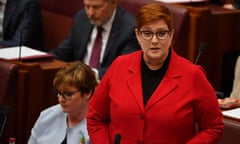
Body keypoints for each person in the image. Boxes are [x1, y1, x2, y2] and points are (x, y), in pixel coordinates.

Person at [87, 3, 224, 144]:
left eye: (161, 33)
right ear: (138, 35)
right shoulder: (119, 66)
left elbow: (213, 127)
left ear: (171, 35)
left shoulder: (192, 75)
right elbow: (95, 118)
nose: (154, 40)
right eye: (147, 33)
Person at [50, 0, 140, 80]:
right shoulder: (81, 18)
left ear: (114, 3)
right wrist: (44, 58)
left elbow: (124, 69)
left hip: (105, 85)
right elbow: (63, 52)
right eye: (87, 6)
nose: (90, 13)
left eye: (96, 7)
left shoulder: (129, 28)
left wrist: (89, 75)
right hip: (77, 85)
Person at [28, 61, 98, 144]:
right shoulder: (46, 117)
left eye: (68, 94)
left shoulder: (97, 128)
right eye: (59, 93)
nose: (61, 99)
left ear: (87, 93)